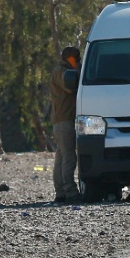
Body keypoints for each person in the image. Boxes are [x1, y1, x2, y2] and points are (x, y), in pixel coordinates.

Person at [50, 46, 82, 204]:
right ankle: (70, 192)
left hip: (62, 121)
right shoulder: (61, 71)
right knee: (69, 157)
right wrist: (80, 70)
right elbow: (70, 86)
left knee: (61, 157)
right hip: (65, 120)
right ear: (70, 58)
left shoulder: (62, 69)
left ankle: (61, 193)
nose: (79, 61)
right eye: (77, 58)